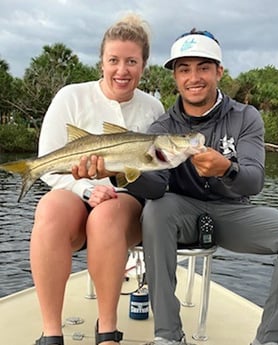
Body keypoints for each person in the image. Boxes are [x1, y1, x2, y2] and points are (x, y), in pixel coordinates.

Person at [122, 29, 278, 345]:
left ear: (219, 71)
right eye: (184, 69)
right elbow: (154, 188)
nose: (194, 77)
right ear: (175, 78)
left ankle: (271, 339)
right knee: (156, 210)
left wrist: (227, 169)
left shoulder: (246, 116)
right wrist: (118, 174)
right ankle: (168, 335)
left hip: (234, 212)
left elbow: (255, 180)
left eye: (203, 67)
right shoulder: (163, 127)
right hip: (181, 212)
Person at [31, 13, 164, 345]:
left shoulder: (153, 107)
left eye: (131, 61)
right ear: (101, 62)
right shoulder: (70, 97)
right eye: (114, 60)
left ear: (144, 65)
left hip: (125, 203)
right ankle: (51, 333)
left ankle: (107, 332)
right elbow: (48, 163)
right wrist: (86, 188)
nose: (122, 70)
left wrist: (114, 183)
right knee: (49, 210)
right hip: (75, 193)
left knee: (106, 216)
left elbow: (158, 172)